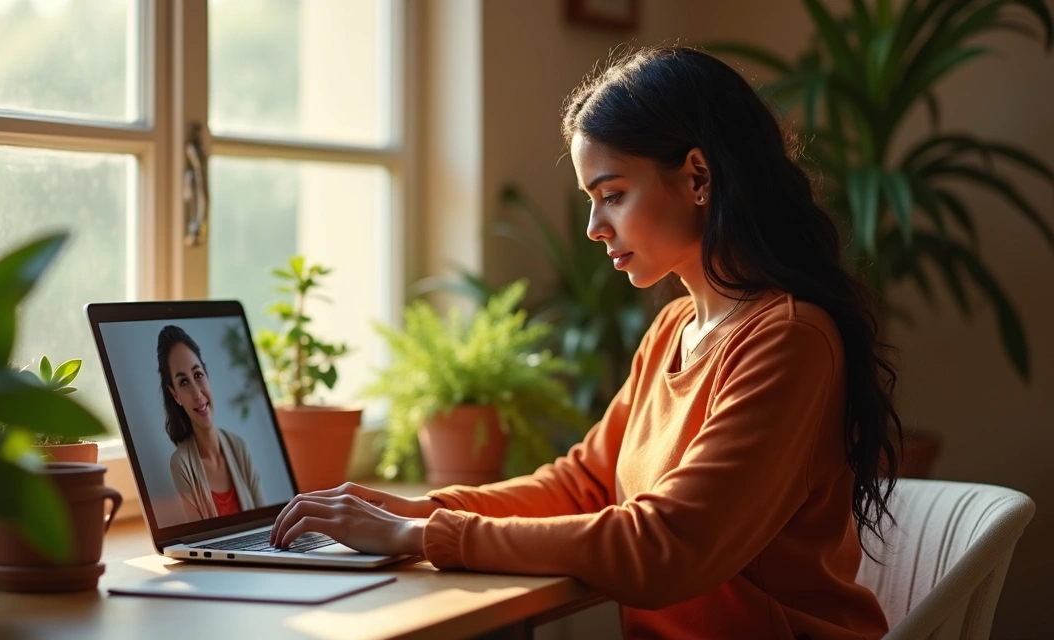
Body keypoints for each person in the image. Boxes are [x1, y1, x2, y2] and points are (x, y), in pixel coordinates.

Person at [269, 45, 898, 639]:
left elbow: (666, 549)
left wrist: (424, 535)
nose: (596, 227)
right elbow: (582, 487)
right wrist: (414, 510)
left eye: (613, 195)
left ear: (698, 176)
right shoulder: (674, 329)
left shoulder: (789, 339)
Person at [158, 325, 263, 521]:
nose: (197, 394)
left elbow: (266, 519)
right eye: (183, 382)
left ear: (207, 375)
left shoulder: (239, 446)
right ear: (175, 394)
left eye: (198, 375)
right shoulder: (181, 464)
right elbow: (202, 536)